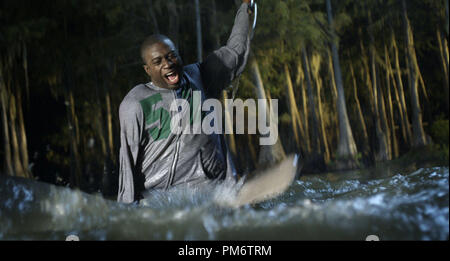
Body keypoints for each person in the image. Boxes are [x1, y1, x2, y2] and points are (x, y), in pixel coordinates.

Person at [117, 0, 253, 204]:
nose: (168, 64)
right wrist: (127, 212)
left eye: (172, 56)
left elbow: (236, 50)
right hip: (162, 197)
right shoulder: (136, 102)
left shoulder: (200, 76)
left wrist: (246, 7)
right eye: (158, 62)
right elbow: (127, 160)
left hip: (215, 188)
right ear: (148, 70)